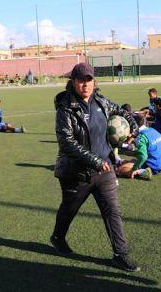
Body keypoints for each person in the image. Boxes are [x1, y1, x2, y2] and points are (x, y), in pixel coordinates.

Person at [51, 62, 140, 272]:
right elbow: (67, 142)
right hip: (77, 173)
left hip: (105, 170)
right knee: (69, 209)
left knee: (112, 211)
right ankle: (58, 237)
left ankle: (120, 254)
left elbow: (122, 112)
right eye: (80, 80)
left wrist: (133, 126)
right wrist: (94, 161)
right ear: (73, 82)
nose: (85, 84)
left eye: (88, 80)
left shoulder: (101, 101)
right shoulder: (65, 108)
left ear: (94, 81)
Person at [115, 114, 161, 180]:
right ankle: (120, 161)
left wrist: (134, 169)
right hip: (160, 165)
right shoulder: (153, 131)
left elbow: (143, 156)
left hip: (151, 166)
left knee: (118, 170)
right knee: (133, 160)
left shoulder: (140, 137)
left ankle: (143, 172)